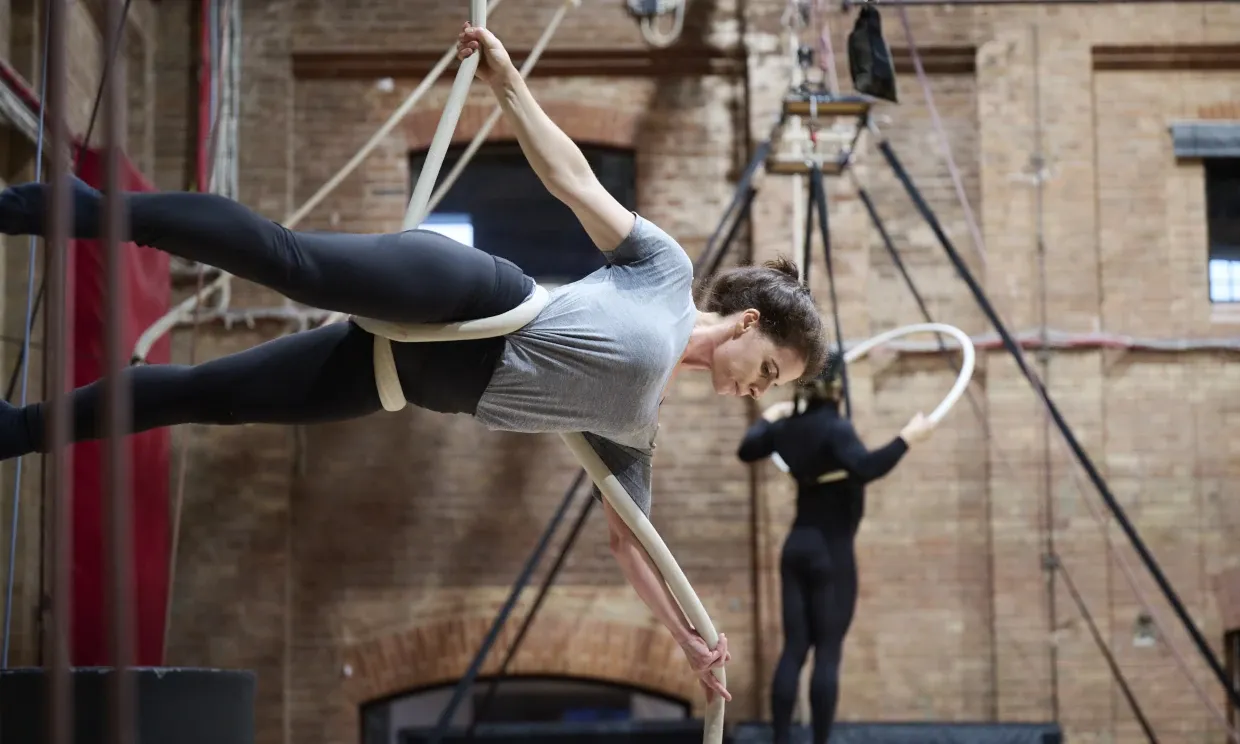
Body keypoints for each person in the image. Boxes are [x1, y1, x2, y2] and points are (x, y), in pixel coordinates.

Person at [0, 22, 828, 703]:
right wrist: (507, 82)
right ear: (749, 321)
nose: (757, 392)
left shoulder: (635, 433)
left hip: (396, 374)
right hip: (463, 294)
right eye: (770, 371)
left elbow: (630, 546)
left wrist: (690, 639)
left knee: (208, 395)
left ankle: (19, 430)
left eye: (772, 389)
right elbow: (574, 181)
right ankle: (51, 206)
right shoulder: (666, 274)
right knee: (286, 261)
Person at [737, 353, 934, 743]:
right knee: (827, 652)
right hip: (831, 551)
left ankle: (781, 738)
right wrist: (908, 438)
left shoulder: (789, 428)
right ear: (839, 387)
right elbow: (866, 467)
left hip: (796, 548)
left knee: (794, 648)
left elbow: (748, 449)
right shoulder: (836, 429)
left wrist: (772, 416)